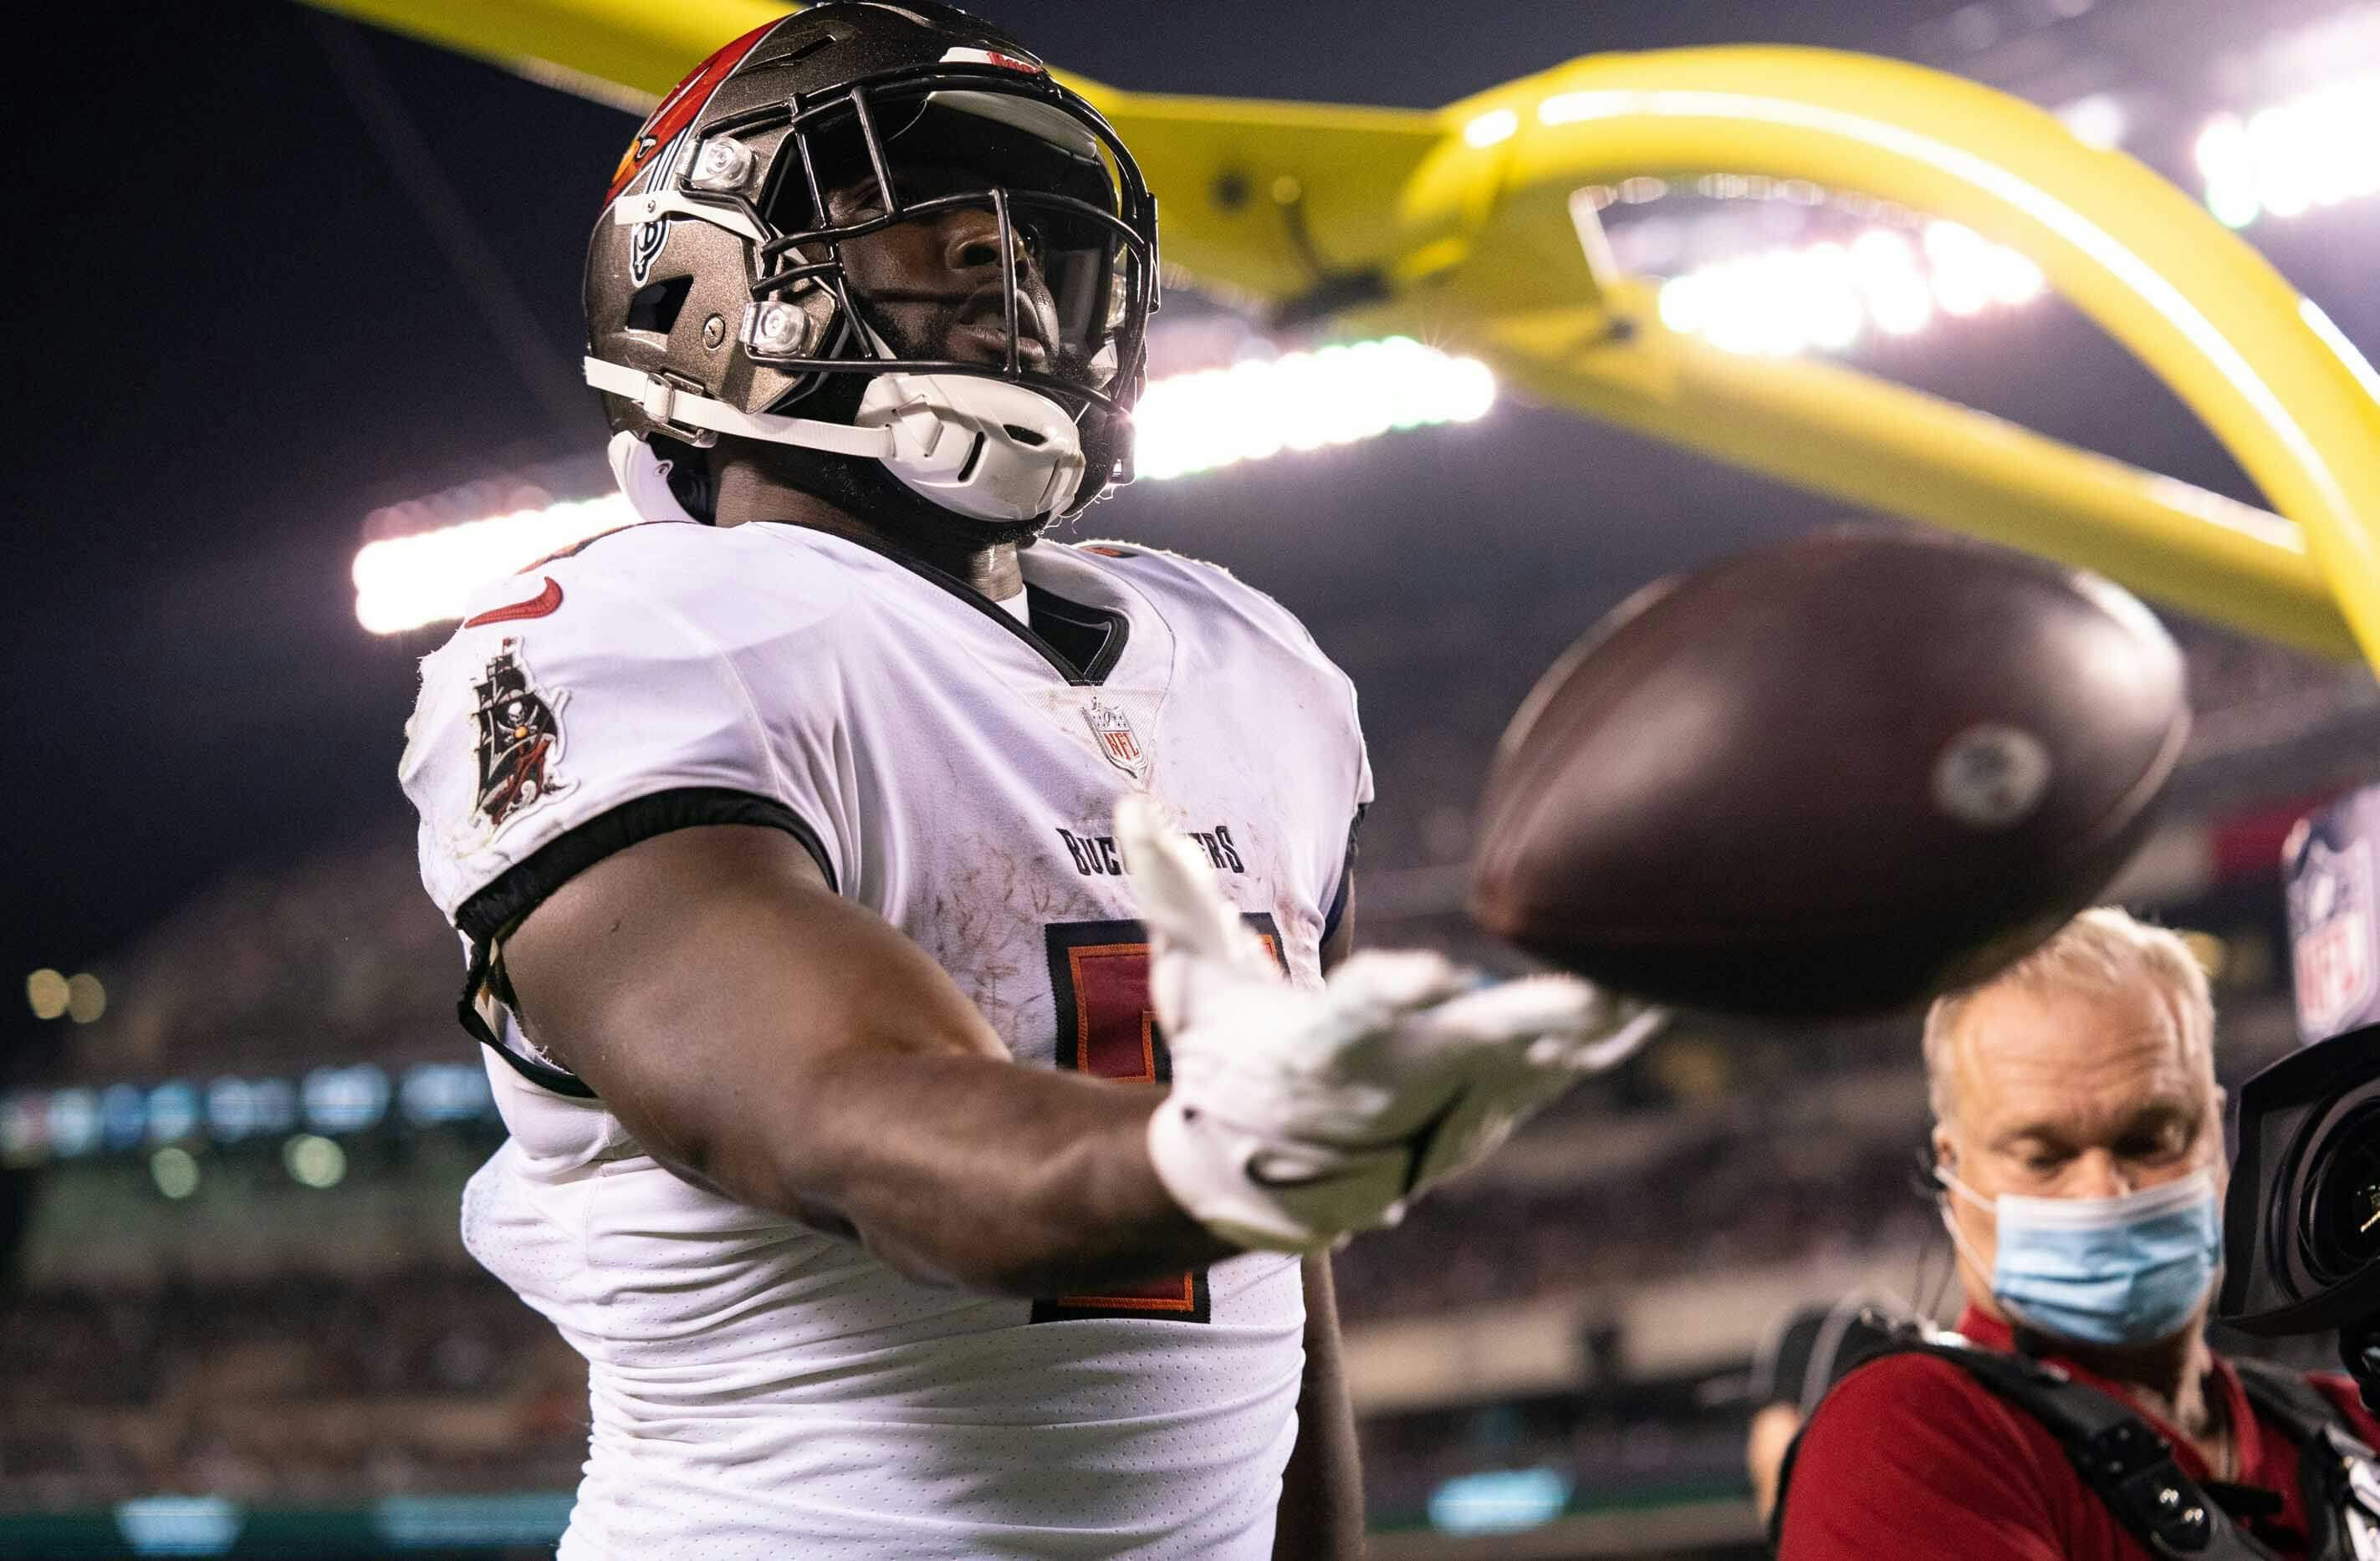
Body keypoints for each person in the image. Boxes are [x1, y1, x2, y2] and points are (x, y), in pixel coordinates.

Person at [396, 6, 1652, 1558]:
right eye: (908, 202)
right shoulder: (636, 637)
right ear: (693, 283)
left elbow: (1275, 1303)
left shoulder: (1244, 659)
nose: (1001, 259)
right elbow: (846, 1120)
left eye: (1033, 230)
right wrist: (1205, 1156)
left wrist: (1257, 1170)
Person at [1775, 908, 2380, 1559]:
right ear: (1951, 1168)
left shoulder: (2351, 1422)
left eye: (2148, 1138)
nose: (2102, 1191)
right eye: (2044, 1156)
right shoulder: (1905, 1438)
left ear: (2216, 1130)